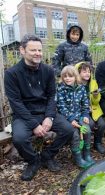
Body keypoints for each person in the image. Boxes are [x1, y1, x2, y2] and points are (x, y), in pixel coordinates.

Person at [4, 34, 74, 181]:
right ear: (22, 50)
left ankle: (47, 155)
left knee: (68, 130)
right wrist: (34, 125)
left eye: (40, 50)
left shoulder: (48, 71)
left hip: (45, 111)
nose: (38, 53)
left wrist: (49, 117)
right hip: (24, 115)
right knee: (19, 139)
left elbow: (51, 96)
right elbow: (16, 103)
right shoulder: (12, 74)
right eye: (33, 50)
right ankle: (33, 161)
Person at [56, 65, 94, 168]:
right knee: (75, 135)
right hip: (67, 118)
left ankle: (86, 154)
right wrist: (71, 119)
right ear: (62, 77)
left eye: (70, 76)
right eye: (65, 76)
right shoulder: (61, 89)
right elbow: (61, 107)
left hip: (80, 116)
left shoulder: (81, 88)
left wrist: (85, 115)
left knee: (87, 130)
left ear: (75, 77)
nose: (67, 78)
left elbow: (85, 104)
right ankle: (77, 158)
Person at [75, 62, 105, 154]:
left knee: (102, 124)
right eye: (84, 72)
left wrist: (96, 96)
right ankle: (85, 146)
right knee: (90, 125)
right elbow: (75, 102)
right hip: (82, 112)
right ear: (78, 73)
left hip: (94, 110)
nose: (87, 74)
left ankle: (97, 143)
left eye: (89, 71)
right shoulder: (75, 85)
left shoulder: (93, 83)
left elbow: (96, 102)